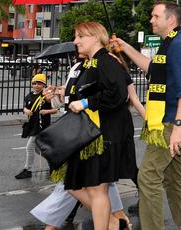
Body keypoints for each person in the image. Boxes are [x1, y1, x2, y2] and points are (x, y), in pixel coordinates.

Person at [111, 1, 181, 230]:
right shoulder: (169, 44)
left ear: (171, 20)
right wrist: (125, 47)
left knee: (148, 178)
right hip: (167, 120)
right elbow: (152, 68)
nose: (151, 20)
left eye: (155, 16)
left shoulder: (180, 45)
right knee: (174, 180)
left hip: (171, 121)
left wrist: (178, 126)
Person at [55, 21, 136, 230]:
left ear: (94, 37)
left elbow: (119, 94)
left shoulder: (106, 61)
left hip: (105, 134)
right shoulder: (91, 63)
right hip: (94, 133)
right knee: (87, 187)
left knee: (97, 188)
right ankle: (112, 222)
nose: (75, 41)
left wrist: (85, 102)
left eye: (80, 37)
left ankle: (109, 223)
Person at [15, 73, 56, 179]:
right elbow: (24, 108)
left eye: (40, 83)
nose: (36, 85)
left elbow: (55, 110)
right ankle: (54, 166)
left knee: (29, 147)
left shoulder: (45, 96)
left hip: (41, 127)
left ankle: (27, 170)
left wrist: (46, 111)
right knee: (40, 150)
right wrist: (26, 110)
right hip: (32, 126)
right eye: (34, 83)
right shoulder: (29, 96)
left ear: (43, 85)